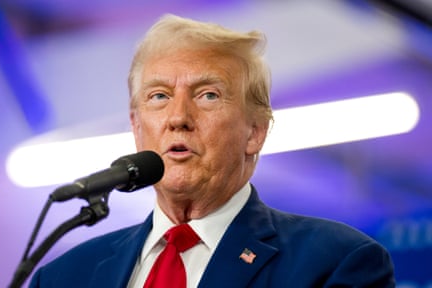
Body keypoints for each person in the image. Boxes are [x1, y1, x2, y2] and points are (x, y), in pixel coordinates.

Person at [29, 14, 395, 287]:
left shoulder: (335, 262)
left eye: (208, 95)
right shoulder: (63, 277)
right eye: (159, 96)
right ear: (137, 127)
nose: (178, 118)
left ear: (255, 132)